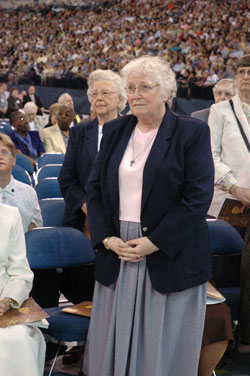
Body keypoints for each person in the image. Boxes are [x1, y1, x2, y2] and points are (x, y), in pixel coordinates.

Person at [82, 56, 214, 376]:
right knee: (110, 345)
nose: (136, 94)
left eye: (144, 87)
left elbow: (197, 198)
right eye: (130, 88)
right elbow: (95, 189)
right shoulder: (115, 130)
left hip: (168, 250)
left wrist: (154, 242)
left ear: (166, 91)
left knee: (160, 344)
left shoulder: (191, 131)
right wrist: (107, 238)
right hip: (119, 251)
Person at [0, 203, 46, 376]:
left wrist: (7, 301)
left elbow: (20, 273)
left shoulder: (10, 215)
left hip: (3, 306)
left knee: (19, 338)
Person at [208, 54, 250, 218]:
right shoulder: (219, 110)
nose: (246, 77)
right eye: (241, 72)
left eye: (249, 72)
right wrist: (236, 189)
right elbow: (210, 154)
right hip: (229, 199)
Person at [0, 133, 42, 232]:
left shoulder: (29, 193)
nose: (0, 156)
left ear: (13, 160)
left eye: (5, 152)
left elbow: (35, 230)